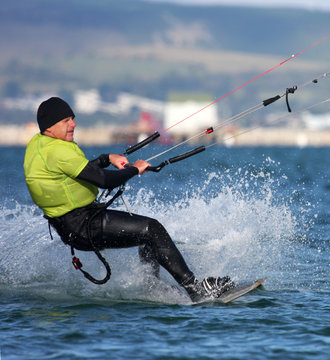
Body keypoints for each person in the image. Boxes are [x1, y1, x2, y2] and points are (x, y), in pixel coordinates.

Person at [23, 96, 234, 302]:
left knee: (146, 237)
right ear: (50, 127)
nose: (74, 124)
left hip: (72, 227)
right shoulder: (58, 151)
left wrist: (106, 159)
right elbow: (104, 181)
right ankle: (195, 288)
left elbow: (80, 170)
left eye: (73, 118)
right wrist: (134, 169)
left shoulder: (40, 145)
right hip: (84, 225)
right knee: (152, 229)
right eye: (66, 121)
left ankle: (151, 287)